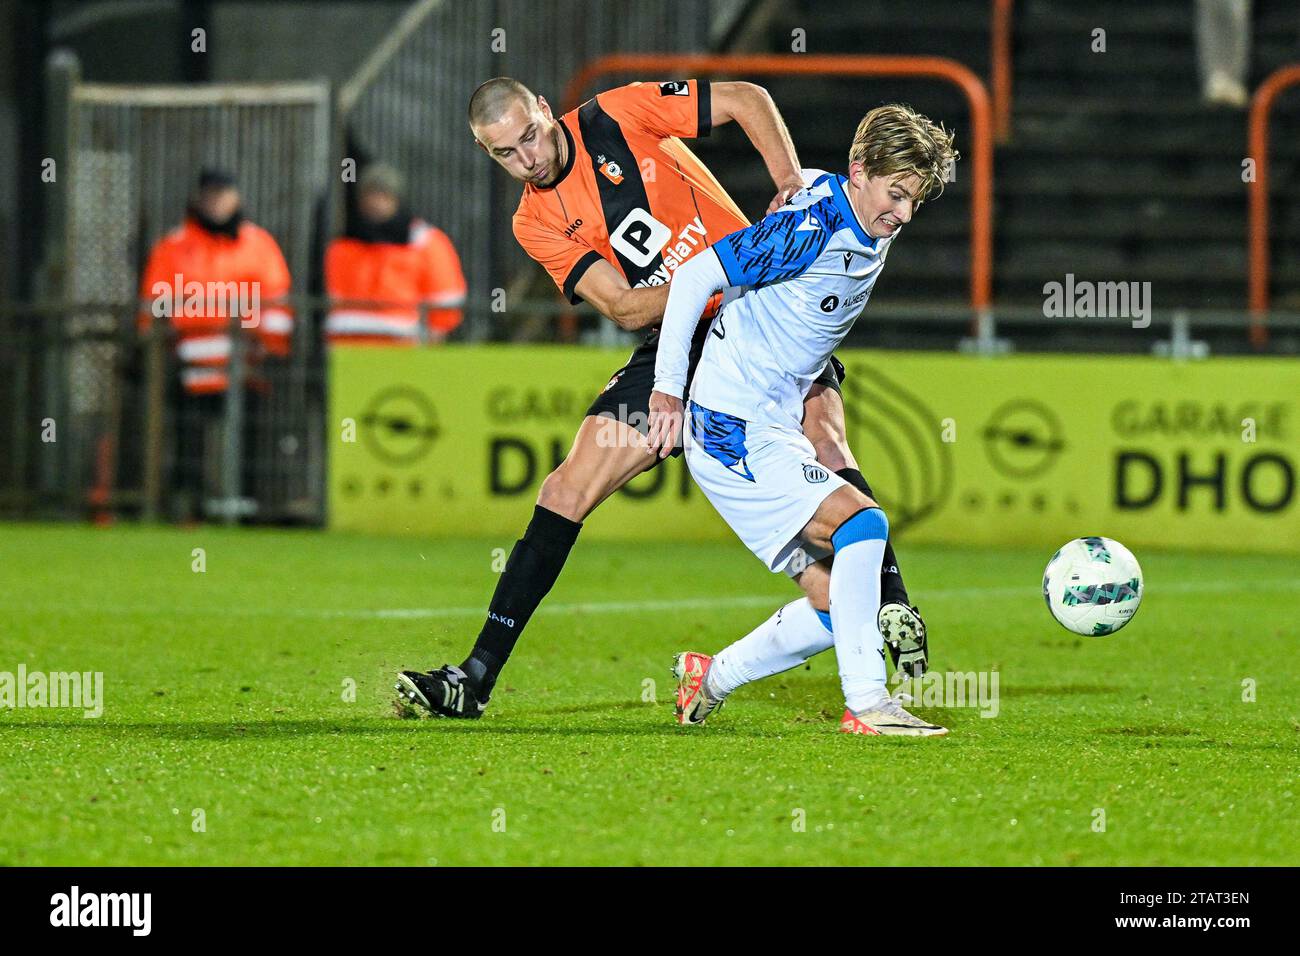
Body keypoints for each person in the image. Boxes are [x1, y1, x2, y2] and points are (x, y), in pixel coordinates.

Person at [395, 78, 927, 719]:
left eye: (528, 136)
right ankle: (472, 679)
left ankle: (890, 600)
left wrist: (788, 186)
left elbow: (744, 99)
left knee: (826, 443)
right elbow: (620, 305)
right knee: (566, 490)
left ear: (543, 107)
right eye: (505, 154)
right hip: (673, 342)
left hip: (758, 318)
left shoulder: (621, 111)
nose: (527, 159)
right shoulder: (533, 220)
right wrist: (713, 275)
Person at [647, 104, 957, 737]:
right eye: (895, 193)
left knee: (837, 602)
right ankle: (868, 704)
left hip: (770, 419)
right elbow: (696, 276)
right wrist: (665, 392)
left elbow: (812, 185)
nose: (901, 213)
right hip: (728, 424)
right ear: (860, 169)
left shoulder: (849, 206)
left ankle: (711, 677)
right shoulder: (812, 228)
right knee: (864, 523)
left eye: (914, 201)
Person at [137, 168, 292, 516]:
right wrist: (157, 344)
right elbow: (155, 302)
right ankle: (189, 505)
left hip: (247, 361)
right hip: (189, 360)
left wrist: (272, 344)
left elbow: (276, 298)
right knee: (189, 435)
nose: (217, 203)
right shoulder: (174, 246)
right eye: (210, 195)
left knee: (249, 434)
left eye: (223, 194)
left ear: (237, 197)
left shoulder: (258, 244)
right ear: (197, 199)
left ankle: (245, 505)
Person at [325, 163, 467, 345]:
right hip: (347, 344)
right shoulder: (343, 244)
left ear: (397, 200)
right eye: (370, 195)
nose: (375, 202)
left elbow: (445, 297)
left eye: (383, 195)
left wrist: (433, 338)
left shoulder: (424, 242)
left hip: (402, 346)